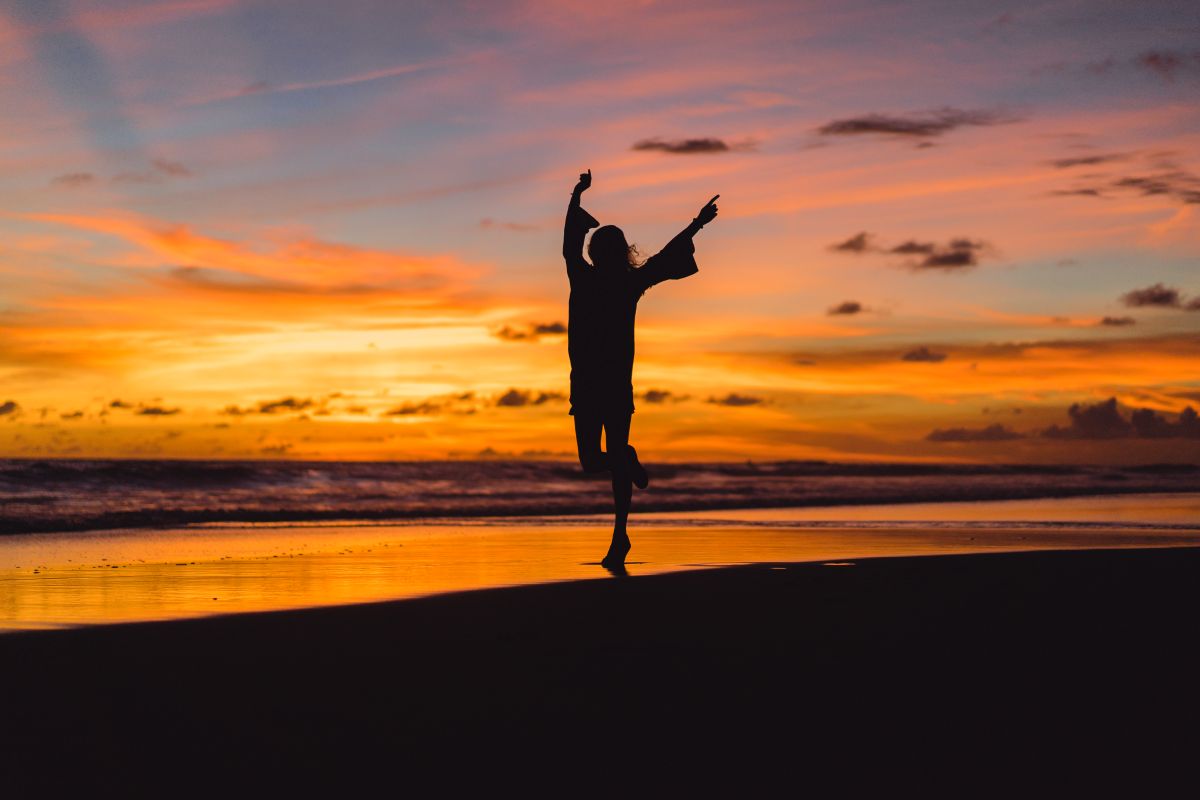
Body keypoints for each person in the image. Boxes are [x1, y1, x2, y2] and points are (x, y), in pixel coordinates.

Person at [562, 168, 719, 568]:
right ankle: (627, 462)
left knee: (607, 459)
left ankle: (620, 537)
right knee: (593, 460)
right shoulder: (594, 279)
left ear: (610, 253)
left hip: (609, 384)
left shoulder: (619, 282)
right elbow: (571, 247)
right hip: (591, 384)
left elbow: (665, 257)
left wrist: (697, 224)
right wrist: (576, 198)